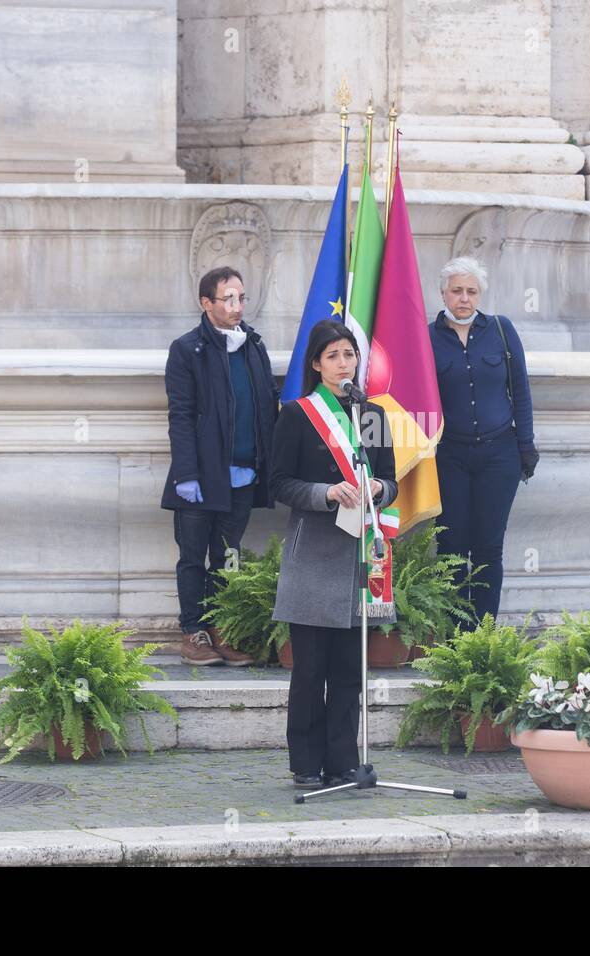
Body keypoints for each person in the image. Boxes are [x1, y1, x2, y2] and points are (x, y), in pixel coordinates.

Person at [269, 320, 398, 788]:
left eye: (349, 354)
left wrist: (379, 487)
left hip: (362, 554)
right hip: (314, 555)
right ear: (316, 364)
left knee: (349, 668)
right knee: (311, 668)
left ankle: (343, 761)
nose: (344, 363)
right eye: (334, 356)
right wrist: (326, 491)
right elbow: (279, 483)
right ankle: (305, 763)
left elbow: (391, 481)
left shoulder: (373, 416)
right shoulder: (298, 415)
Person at [161, 266, 279, 665]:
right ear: (206, 303)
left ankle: (218, 628)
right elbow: (181, 415)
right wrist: (187, 474)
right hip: (201, 478)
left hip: (243, 476)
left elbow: (267, 406)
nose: (237, 306)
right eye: (228, 298)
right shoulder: (187, 349)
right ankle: (192, 632)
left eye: (242, 298)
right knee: (193, 557)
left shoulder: (253, 347)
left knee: (227, 557)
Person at [429, 256, 539, 628]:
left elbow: (520, 391)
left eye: (471, 291)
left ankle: (485, 633)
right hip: (449, 456)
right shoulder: (426, 337)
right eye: (457, 290)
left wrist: (526, 446)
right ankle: (457, 635)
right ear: (443, 293)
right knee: (452, 546)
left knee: (489, 546)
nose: (464, 298)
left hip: (499, 454)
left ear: (480, 294)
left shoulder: (501, 331)